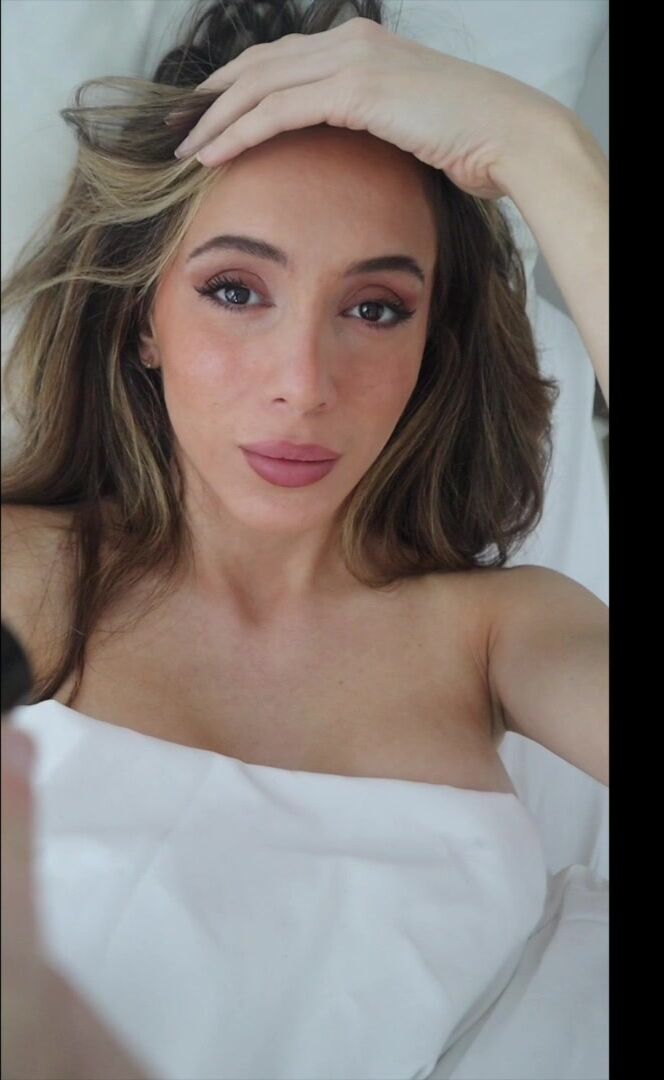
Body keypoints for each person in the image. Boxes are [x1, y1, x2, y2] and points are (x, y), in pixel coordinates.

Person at [0, 0, 608, 1075]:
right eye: (236, 290)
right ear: (142, 320)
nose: (304, 385)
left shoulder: (501, 637)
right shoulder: (27, 574)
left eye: (375, 308)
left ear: (432, 345)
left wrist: (541, 148)